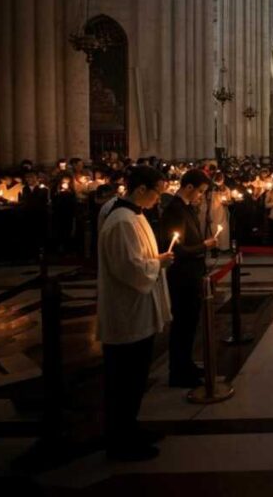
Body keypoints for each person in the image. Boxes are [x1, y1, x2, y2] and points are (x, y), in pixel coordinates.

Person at [97, 165, 174, 461]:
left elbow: (138, 260)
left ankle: (130, 428)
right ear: (141, 189)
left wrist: (154, 261)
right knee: (123, 380)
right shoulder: (121, 221)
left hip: (138, 309)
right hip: (126, 311)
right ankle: (120, 442)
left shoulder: (133, 215)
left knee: (135, 378)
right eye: (158, 192)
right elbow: (129, 268)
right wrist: (159, 263)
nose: (159, 198)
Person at [159, 169, 216, 388]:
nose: (201, 195)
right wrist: (204, 246)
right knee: (183, 324)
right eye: (200, 191)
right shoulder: (175, 210)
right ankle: (179, 372)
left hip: (191, 274)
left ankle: (187, 364)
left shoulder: (185, 208)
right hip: (182, 276)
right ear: (189, 187)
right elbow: (176, 249)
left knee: (190, 324)